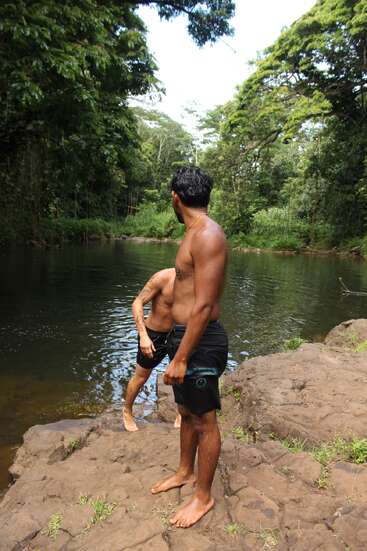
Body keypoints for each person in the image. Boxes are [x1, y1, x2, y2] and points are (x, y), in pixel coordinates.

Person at [151, 166, 228, 529]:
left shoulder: (208, 236)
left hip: (201, 342)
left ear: (175, 199)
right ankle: (184, 472)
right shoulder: (194, 232)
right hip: (183, 337)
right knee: (185, 409)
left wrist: (181, 357)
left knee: (204, 421)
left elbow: (204, 306)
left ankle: (203, 496)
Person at [122, 268, 181, 432]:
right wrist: (143, 336)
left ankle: (181, 413)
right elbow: (137, 302)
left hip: (179, 333)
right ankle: (127, 410)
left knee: (181, 374)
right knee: (141, 376)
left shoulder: (197, 282)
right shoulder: (163, 278)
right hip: (154, 335)